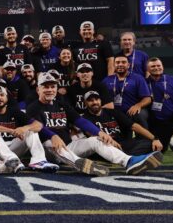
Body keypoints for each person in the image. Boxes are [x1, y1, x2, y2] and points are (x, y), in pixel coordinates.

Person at [28, 73, 162, 176]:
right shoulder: (33, 107)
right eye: (45, 87)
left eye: (53, 86)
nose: (50, 90)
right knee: (51, 144)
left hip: (68, 146)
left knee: (95, 140)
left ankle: (129, 161)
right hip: (47, 150)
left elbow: (80, 121)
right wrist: (52, 136)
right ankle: (80, 164)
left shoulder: (62, 104)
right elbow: (38, 127)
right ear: (38, 89)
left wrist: (100, 132)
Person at [0, 85, 59, 172]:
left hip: (14, 147)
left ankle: (38, 161)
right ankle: (11, 158)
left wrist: (25, 128)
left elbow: (38, 125)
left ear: (7, 98)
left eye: (2, 95)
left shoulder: (15, 111)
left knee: (30, 130)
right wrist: (10, 130)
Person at [82, 90, 162, 156]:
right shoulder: (84, 118)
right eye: (90, 100)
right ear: (85, 103)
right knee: (96, 151)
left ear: (100, 100)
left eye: (97, 99)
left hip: (122, 144)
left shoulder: (112, 112)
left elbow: (133, 126)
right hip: (104, 146)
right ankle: (129, 157)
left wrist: (154, 138)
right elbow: (91, 135)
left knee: (150, 143)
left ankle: (125, 156)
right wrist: (111, 143)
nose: (95, 102)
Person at [102, 55, 151, 127]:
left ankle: (143, 137)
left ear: (128, 65)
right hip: (114, 113)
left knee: (141, 114)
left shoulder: (138, 78)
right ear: (114, 65)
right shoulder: (107, 80)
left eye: (123, 62)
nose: (120, 64)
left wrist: (138, 105)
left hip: (131, 112)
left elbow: (148, 99)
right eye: (117, 62)